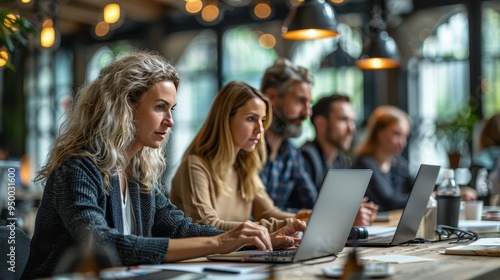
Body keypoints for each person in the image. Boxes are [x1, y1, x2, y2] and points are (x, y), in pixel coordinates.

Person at [23, 52, 305, 279]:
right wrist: (223, 242)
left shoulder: (137, 172)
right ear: (124, 105)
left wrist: (253, 238)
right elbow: (101, 245)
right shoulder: (77, 168)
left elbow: (181, 228)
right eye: (160, 107)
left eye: (172, 109)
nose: (170, 121)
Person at [171, 81, 309, 232]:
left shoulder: (243, 165)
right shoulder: (195, 165)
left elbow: (268, 212)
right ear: (225, 119)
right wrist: (290, 224)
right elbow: (207, 226)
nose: (260, 129)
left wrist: (306, 218)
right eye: (251, 118)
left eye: (262, 120)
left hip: (234, 254)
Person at [259, 58, 377, 226]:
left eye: (309, 104)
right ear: (271, 97)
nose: (307, 113)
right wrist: (342, 215)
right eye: (300, 101)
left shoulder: (291, 153)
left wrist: (345, 213)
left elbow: (312, 204)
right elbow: (253, 214)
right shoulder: (247, 150)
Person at [301, 94, 378, 219]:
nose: (352, 129)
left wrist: (359, 210)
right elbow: (311, 208)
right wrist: (348, 215)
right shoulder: (305, 158)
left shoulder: (340, 159)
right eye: (343, 120)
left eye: (352, 121)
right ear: (321, 124)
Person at [351, 105, 413, 212]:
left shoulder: (398, 163)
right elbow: (389, 202)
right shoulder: (365, 164)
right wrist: (425, 198)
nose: (402, 143)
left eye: (405, 136)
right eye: (397, 134)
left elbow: (415, 186)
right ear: (379, 132)